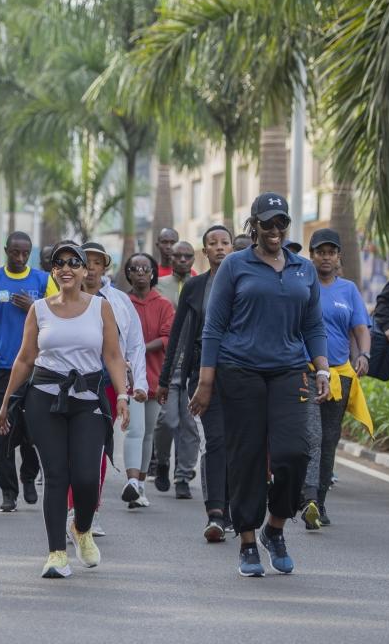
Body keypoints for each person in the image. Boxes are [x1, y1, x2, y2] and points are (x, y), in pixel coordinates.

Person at [190, 192, 329, 577]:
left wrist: (322, 368)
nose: (274, 230)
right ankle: (248, 541)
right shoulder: (236, 265)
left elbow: (313, 325)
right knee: (246, 457)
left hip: (287, 370)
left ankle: (276, 527)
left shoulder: (303, 269)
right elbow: (213, 326)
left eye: (281, 222)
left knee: (294, 454)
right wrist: (205, 382)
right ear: (254, 226)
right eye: (267, 223)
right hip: (240, 371)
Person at [0, 243, 130, 577]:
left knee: (86, 477)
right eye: (59, 263)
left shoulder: (101, 308)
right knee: (56, 476)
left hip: (87, 399)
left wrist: (124, 396)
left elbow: (113, 356)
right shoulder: (39, 309)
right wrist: (5, 404)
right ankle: (56, 554)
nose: (66, 268)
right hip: (45, 397)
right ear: (53, 271)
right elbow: (25, 358)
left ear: (85, 271)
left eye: (74, 263)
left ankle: (81, 528)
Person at [156, 225, 234, 542]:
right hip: (201, 374)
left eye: (224, 242)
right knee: (215, 440)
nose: (219, 247)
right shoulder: (195, 286)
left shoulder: (246, 282)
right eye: (212, 243)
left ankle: (232, 508)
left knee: (239, 445)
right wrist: (165, 380)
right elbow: (178, 337)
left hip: (242, 373)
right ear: (205, 250)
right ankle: (215, 513)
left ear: (233, 248)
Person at [0, 232, 55, 512]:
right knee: (2, 432)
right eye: (15, 253)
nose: (20, 258)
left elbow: (59, 316)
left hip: (35, 369)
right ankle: (8, 491)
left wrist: (35, 307)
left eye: (25, 253)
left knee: (33, 430)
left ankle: (29, 475)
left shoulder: (43, 281)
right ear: (6, 250)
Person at [73, 241, 147, 535]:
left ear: (105, 267)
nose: (90, 268)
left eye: (96, 262)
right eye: (85, 261)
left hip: (105, 383)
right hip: (70, 383)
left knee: (99, 448)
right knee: (73, 451)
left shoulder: (118, 301)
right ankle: (71, 508)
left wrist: (137, 384)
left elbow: (135, 343)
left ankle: (91, 510)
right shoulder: (63, 298)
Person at [300, 228, 371, 530]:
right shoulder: (301, 284)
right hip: (304, 372)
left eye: (331, 252)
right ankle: (309, 498)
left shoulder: (349, 290)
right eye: (320, 252)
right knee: (312, 436)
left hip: (339, 375)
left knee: (330, 440)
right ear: (312, 255)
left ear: (339, 256)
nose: (325, 257)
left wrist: (364, 355)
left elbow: (360, 328)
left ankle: (321, 501)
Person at [122, 253, 174, 508]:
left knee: (148, 434)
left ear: (153, 273)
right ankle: (132, 482)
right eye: (135, 268)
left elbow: (167, 337)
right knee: (135, 429)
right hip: (129, 377)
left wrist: (140, 348)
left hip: (155, 374)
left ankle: (141, 484)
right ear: (128, 273)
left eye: (146, 268)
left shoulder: (163, 304)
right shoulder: (122, 302)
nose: (141, 272)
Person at [153, 240, 201, 498]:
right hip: (168, 362)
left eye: (187, 256)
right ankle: (162, 461)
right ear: (171, 258)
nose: (182, 260)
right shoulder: (159, 287)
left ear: (194, 259)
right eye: (178, 256)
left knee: (190, 423)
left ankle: (183, 475)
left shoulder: (199, 285)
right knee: (168, 419)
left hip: (193, 365)